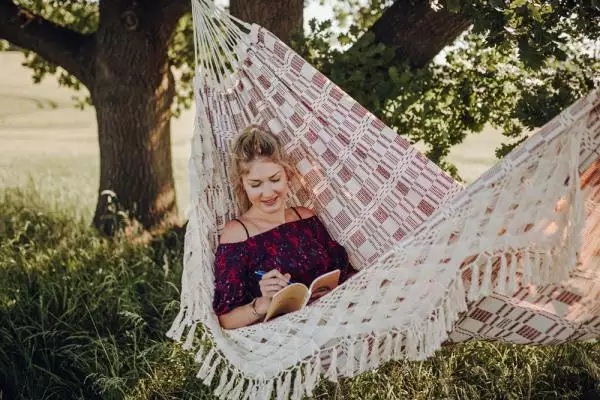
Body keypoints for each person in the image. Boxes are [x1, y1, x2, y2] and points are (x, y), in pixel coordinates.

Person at [213, 125, 355, 329]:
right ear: (242, 184)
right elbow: (226, 320)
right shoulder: (237, 233)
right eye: (255, 184)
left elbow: (344, 272)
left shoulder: (304, 217)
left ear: (287, 175)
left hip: (335, 318)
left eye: (275, 179)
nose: (268, 193)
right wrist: (261, 305)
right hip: (286, 335)